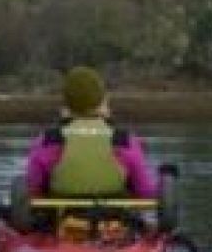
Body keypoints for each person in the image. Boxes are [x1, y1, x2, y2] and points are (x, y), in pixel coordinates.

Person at [16, 66, 161, 234]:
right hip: (114, 228)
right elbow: (145, 192)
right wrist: (166, 179)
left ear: (67, 104)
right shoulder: (124, 141)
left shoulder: (48, 141)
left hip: (62, 228)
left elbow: (32, 191)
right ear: (102, 101)